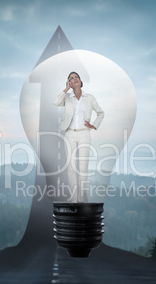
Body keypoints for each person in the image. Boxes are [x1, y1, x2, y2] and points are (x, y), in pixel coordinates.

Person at [53, 71, 104, 202]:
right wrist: (65, 89)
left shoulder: (90, 98)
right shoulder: (67, 97)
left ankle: (81, 198)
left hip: (84, 134)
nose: (74, 79)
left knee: (82, 167)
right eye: (71, 78)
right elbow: (56, 102)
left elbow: (100, 113)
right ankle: (74, 198)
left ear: (81, 81)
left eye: (76, 77)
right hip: (69, 133)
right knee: (71, 167)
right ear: (69, 83)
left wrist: (94, 125)